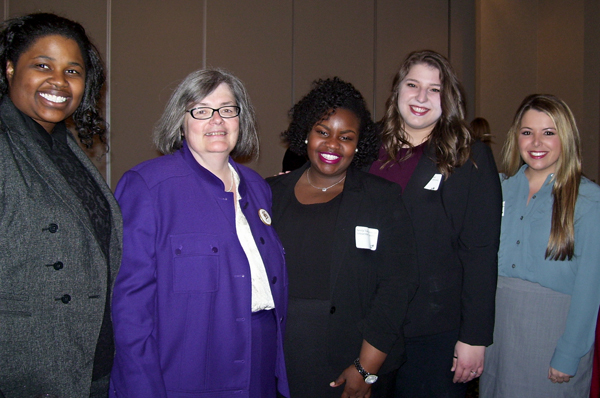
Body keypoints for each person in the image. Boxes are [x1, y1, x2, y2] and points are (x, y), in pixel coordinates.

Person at [110, 68, 289, 398]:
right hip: (189, 368)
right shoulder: (148, 187)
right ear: (181, 120)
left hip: (261, 359)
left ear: (241, 119)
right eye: (202, 111)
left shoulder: (258, 187)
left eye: (228, 110)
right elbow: (129, 308)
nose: (217, 121)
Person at [268, 77, 418, 398]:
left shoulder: (382, 198)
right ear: (305, 133)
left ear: (359, 144)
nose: (332, 144)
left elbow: (398, 285)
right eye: (322, 132)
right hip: (280, 356)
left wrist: (366, 367)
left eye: (346, 137)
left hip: (351, 361)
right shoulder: (270, 194)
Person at [0, 13, 122, 398]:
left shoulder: (65, 146)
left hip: (90, 365)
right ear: (8, 68)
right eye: (42, 66)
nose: (59, 81)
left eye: (73, 70)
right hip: (27, 369)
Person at [369, 50, 502, 397]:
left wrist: (474, 336)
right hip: (369, 324)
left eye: (435, 89)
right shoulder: (367, 147)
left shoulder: (469, 157)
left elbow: (481, 252)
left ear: (449, 98)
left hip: (434, 331)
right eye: (413, 84)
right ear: (397, 89)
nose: (421, 97)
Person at [479, 94, 600, 397]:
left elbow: (591, 286)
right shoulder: (498, 189)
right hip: (499, 331)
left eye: (548, 133)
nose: (536, 142)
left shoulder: (587, 199)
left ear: (566, 137)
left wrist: (570, 353)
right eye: (527, 132)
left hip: (553, 333)